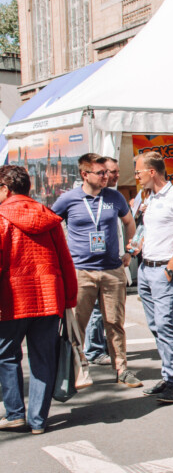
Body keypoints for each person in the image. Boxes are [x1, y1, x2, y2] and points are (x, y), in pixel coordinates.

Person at [0, 165, 78, 434]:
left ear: (5, 189)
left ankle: (14, 414)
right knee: (43, 358)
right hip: (48, 297)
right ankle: (37, 421)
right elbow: (65, 260)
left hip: (12, 299)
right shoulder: (48, 217)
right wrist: (69, 297)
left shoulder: (1, 216)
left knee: (6, 356)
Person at [52, 153, 140, 388]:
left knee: (115, 323)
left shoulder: (115, 198)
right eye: (100, 173)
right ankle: (75, 372)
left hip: (112, 270)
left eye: (107, 172)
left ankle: (122, 369)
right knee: (77, 324)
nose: (106, 176)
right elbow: (52, 225)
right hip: (81, 271)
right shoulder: (68, 199)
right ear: (84, 174)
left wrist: (130, 251)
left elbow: (130, 223)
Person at [132, 151, 173, 403]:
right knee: (155, 325)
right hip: (146, 267)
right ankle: (168, 376)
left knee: (164, 323)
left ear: (151, 171)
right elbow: (150, 229)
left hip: (164, 268)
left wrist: (172, 266)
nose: (136, 176)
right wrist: (139, 244)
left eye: (138, 171)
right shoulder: (148, 197)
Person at [84, 157, 121, 366]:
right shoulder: (82, 197)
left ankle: (104, 347)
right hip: (89, 265)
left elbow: (126, 223)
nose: (112, 176)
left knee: (110, 312)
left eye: (115, 172)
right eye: (109, 172)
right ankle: (93, 350)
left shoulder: (114, 197)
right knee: (96, 310)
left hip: (112, 263)